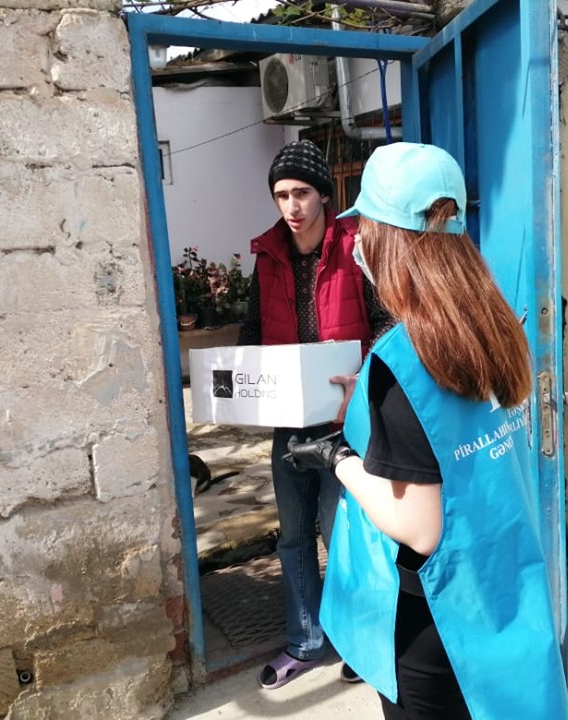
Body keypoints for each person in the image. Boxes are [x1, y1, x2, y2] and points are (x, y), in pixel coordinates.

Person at [285, 142, 568, 719]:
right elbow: (447, 427)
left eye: (364, 228)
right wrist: (371, 401)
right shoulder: (494, 324)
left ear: (387, 240)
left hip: (432, 616)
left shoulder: (404, 361)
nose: (358, 243)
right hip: (500, 578)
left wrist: (339, 459)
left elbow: (419, 527)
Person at [237, 139, 393, 690]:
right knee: (294, 536)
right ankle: (305, 642)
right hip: (290, 422)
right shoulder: (267, 256)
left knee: (345, 534)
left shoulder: (355, 247)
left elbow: (388, 322)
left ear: (324, 195)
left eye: (301, 192)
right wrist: (243, 386)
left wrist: (362, 378)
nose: (292, 206)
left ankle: (360, 642)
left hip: (345, 422)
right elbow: (251, 334)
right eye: (281, 195)